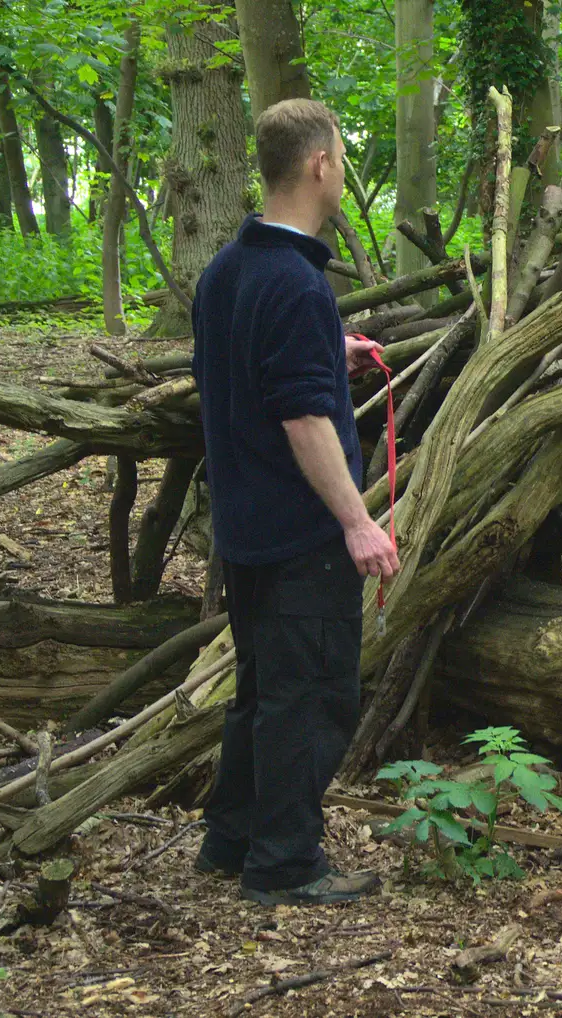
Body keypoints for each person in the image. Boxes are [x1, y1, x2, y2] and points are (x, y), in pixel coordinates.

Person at [191, 98, 400, 906]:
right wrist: (357, 523)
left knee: (262, 689)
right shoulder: (294, 283)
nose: (341, 172)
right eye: (341, 159)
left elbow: (246, 362)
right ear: (319, 165)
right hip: (298, 533)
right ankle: (283, 863)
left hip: (244, 527)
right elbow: (305, 418)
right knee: (310, 695)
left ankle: (232, 837)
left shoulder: (231, 269)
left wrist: (330, 347)